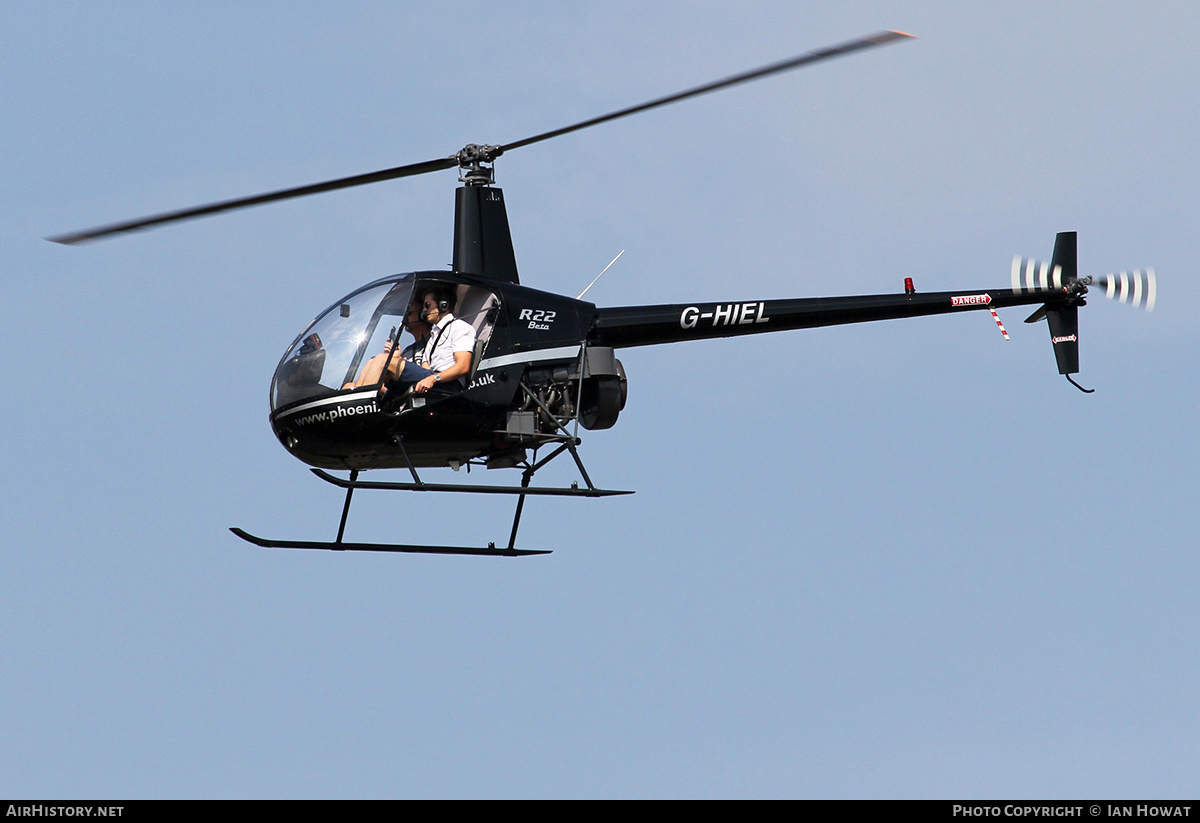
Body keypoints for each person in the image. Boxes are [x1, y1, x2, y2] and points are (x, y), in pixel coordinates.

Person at [393, 286, 477, 394]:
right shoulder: (434, 334)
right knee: (380, 364)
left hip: (449, 384)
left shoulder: (460, 327)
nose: (424, 310)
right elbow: (425, 368)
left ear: (443, 305)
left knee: (386, 363)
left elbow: (463, 366)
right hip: (434, 380)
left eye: (427, 305)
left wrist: (433, 378)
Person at [342, 299, 430, 390]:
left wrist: (384, 360)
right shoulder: (408, 350)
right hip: (400, 389)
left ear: (422, 315)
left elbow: (431, 372)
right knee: (348, 386)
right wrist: (393, 358)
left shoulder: (434, 342)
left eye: (409, 313)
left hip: (422, 390)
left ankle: (362, 401)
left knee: (381, 359)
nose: (405, 318)